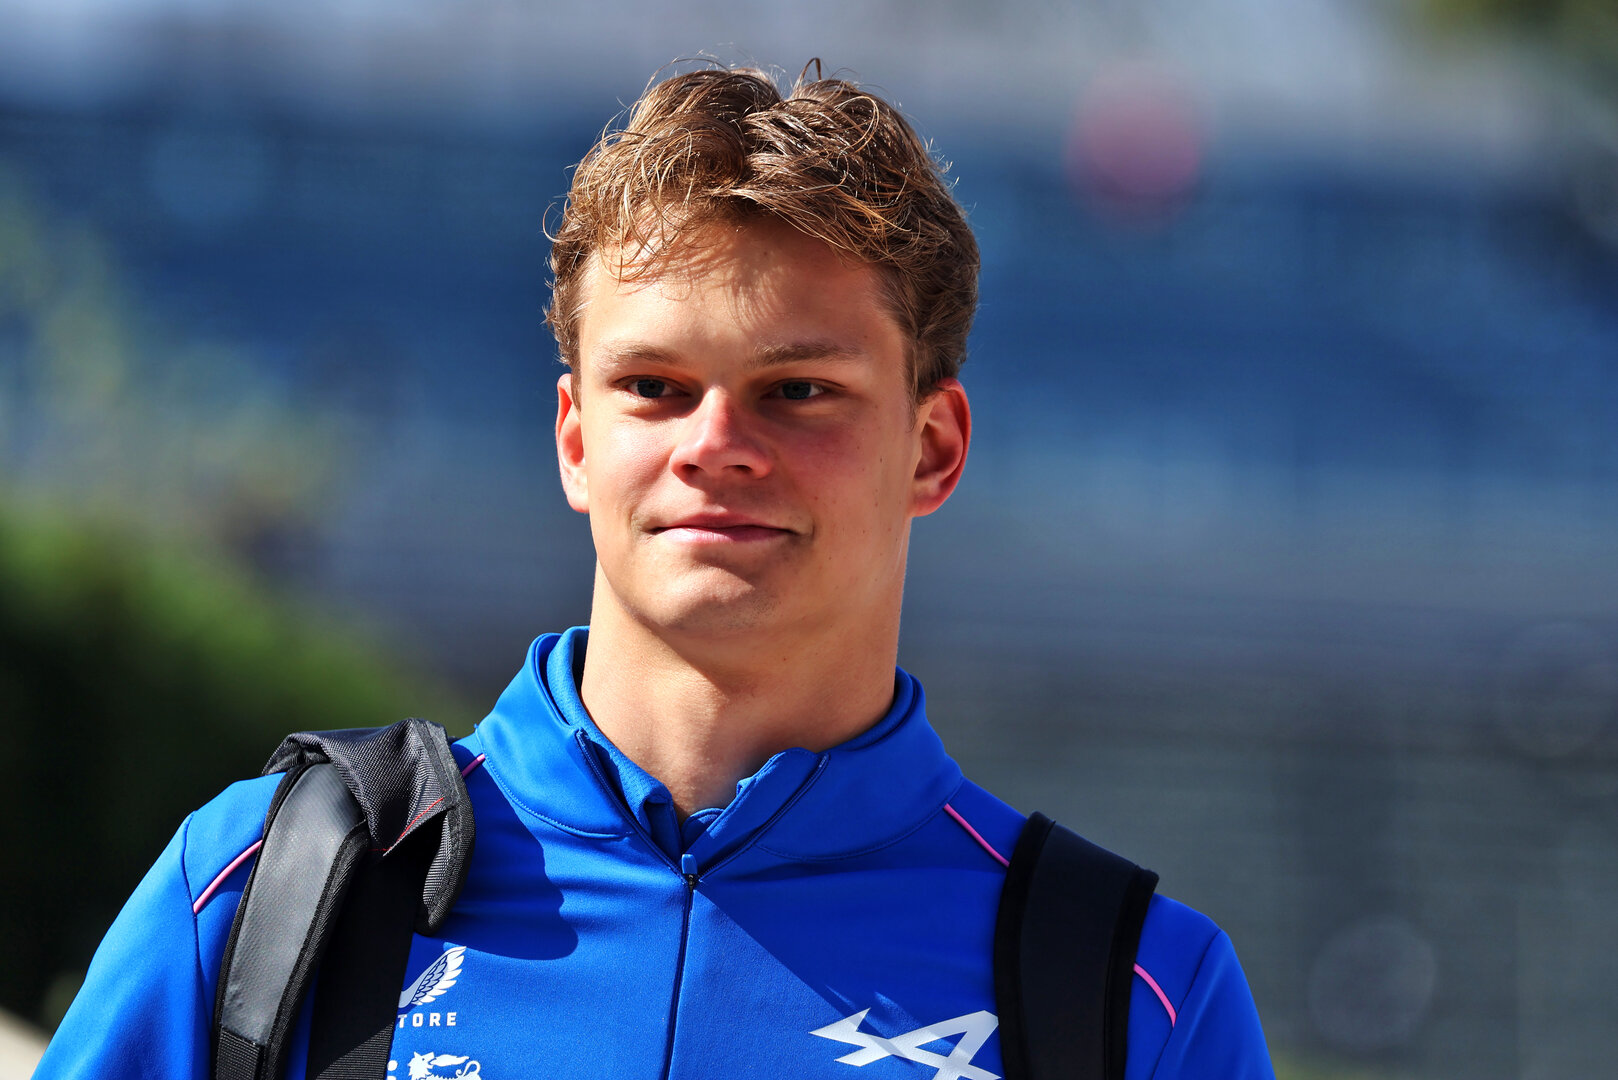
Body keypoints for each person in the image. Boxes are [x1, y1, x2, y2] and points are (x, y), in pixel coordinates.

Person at [35, 63, 1274, 1080]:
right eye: (655, 389)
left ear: (932, 446)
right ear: (578, 440)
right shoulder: (271, 891)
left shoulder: (1130, 995)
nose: (715, 449)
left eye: (799, 392)